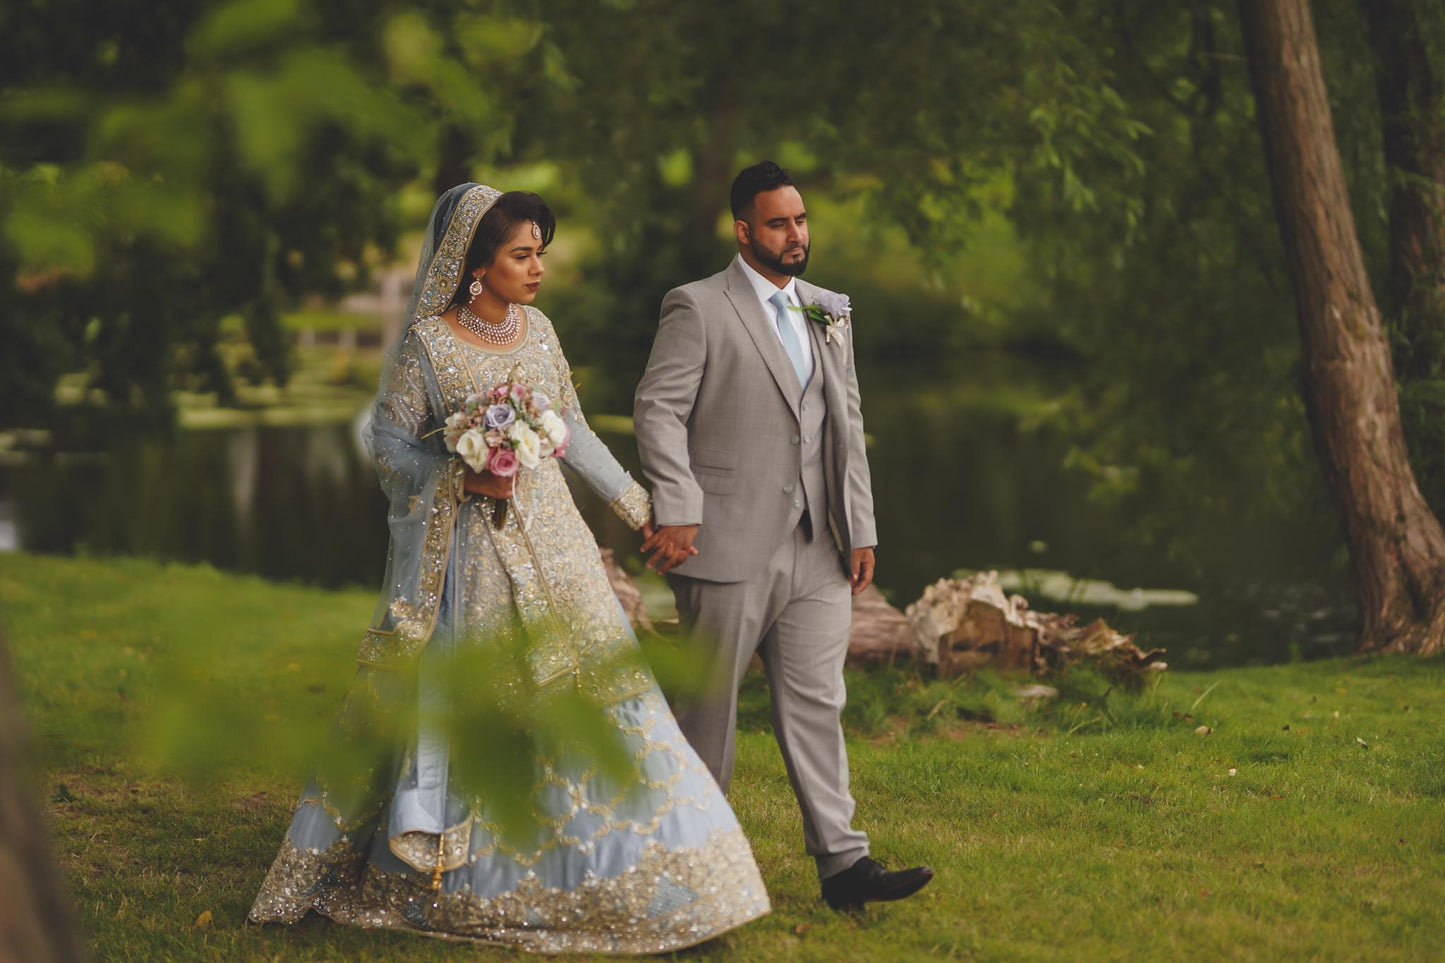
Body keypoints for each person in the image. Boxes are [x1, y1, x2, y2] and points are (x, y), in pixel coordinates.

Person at [249, 184, 769, 953]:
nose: (537, 269)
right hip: (469, 559)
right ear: (473, 263)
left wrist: (641, 511)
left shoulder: (539, 329)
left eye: (541, 254)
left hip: (556, 546)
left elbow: (573, 433)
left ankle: (666, 878)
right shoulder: (430, 344)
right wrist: (458, 470)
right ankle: (465, 881)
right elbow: (387, 447)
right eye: (522, 254)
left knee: (607, 694)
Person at [632, 161, 933, 910]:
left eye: (799, 220)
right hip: (723, 544)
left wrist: (858, 527)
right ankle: (688, 875)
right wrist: (678, 505)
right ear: (744, 230)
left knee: (816, 703)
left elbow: (846, 424)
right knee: (709, 717)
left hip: (818, 550)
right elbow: (657, 409)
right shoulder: (697, 305)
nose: (794, 235)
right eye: (777, 223)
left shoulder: (829, 309)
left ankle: (843, 864)